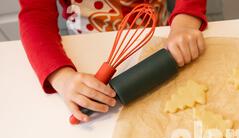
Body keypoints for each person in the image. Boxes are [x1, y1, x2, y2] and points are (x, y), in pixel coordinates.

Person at [19, 0, 208, 122]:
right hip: (85, 44)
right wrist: (61, 76)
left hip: (157, 34)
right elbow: (35, 15)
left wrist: (184, 24)